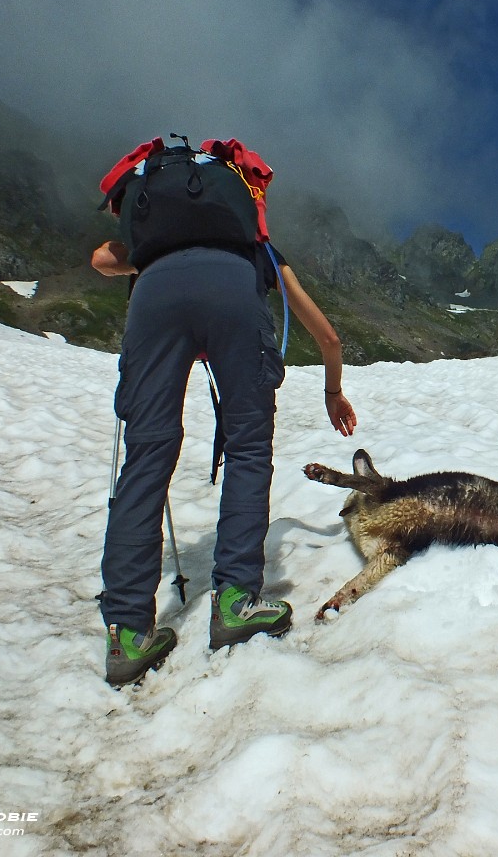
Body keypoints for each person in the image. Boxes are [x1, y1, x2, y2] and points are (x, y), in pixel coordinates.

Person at [91, 157, 357, 688]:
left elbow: (100, 258)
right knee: (248, 449)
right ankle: (236, 600)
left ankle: (127, 632)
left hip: (153, 296)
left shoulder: (153, 240)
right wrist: (333, 392)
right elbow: (327, 336)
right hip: (234, 292)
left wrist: (144, 266)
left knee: (147, 455)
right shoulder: (255, 248)